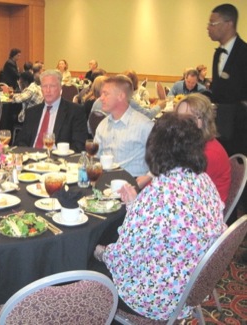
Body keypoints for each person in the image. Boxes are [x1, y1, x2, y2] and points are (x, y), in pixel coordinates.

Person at [93, 113, 227, 321]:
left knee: (85, 261)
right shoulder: (203, 181)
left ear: (156, 148)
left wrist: (98, 251)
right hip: (189, 284)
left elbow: (123, 257)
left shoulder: (158, 193)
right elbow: (168, 227)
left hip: (154, 298)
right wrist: (134, 205)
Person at [175, 93, 231, 202]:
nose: (182, 122)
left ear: (204, 121)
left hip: (203, 210)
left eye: (190, 118)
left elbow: (182, 191)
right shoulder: (192, 142)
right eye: (179, 117)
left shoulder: (209, 153)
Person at [94, 75, 153, 177]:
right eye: (101, 94)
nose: (101, 98)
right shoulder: (103, 125)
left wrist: (145, 180)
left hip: (134, 183)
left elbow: (162, 162)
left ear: (121, 96)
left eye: (106, 94)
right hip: (105, 181)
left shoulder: (144, 126)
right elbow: (95, 157)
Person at [208, 3, 247, 157]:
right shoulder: (218, 54)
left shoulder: (244, 53)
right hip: (220, 127)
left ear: (228, 24)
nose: (208, 28)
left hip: (241, 128)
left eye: (212, 23)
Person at [15, 70, 88, 152]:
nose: (48, 90)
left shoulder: (75, 111)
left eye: (52, 86)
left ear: (60, 88)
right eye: (45, 86)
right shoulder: (32, 112)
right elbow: (20, 142)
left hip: (58, 161)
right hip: (32, 159)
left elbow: (79, 145)